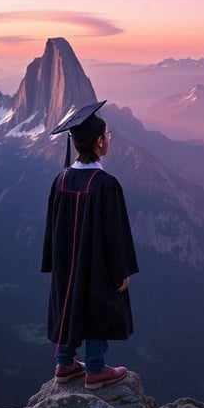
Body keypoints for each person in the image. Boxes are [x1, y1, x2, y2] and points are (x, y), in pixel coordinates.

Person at [41, 101, 139, 389]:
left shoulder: (60, 180)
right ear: (99, 142)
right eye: (107, 135)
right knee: (98, 301)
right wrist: (121, 270)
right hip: (96, 263)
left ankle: (65, 362)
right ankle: (95, 369)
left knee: (67, 301)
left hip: (65, 263)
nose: (108, 139)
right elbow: (115, 233)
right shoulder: (106, 184)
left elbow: (52, 227)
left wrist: (53, 262)